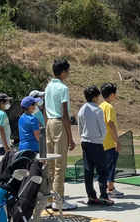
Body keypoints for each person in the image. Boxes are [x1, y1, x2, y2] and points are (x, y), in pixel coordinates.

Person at [44, 59, 77, 210]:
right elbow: (65, 115)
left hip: (49, 123)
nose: (68, 74)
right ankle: (59, 200)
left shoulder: (48, 86)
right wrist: (70, 137)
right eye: (68, 71)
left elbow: (45, 110)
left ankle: (50, 198)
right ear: (63, 72)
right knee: (60, 164)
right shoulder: (63, 88)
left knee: (50, 163)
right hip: (58, 123)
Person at [78, 86, 114, 206]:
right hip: (96, 142)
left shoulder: (82, 109)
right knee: (102, 170)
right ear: (94, 97)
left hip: (84, 141)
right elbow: (103, 129)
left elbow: (79, 128)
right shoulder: (97, 110)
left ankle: (91, 196)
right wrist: (100, 138)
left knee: (88, 170)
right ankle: (103, 195)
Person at [99, 83, 124, 197]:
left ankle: (103, 188)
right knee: (111, 165)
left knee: (103, 166)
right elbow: (111, 123)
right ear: (112, 94)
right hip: (109, 141)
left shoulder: (100, 106)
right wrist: (117, 140)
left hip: (101, 141)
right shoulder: (109, 107)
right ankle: (110, 188)